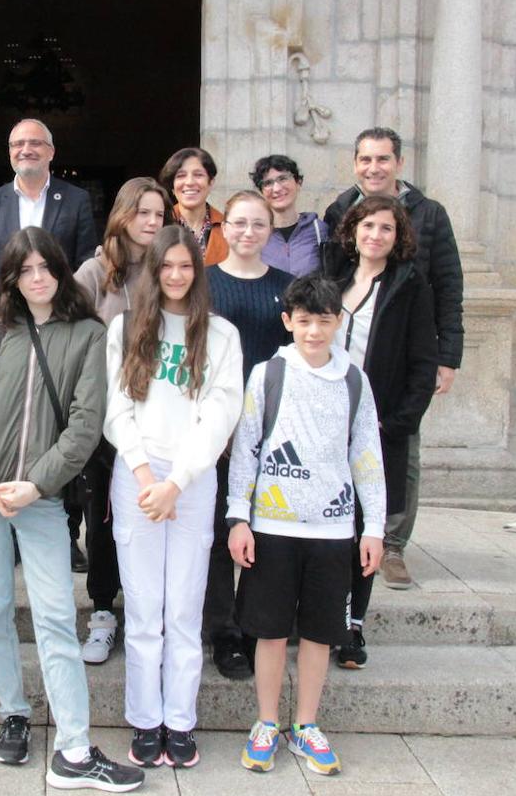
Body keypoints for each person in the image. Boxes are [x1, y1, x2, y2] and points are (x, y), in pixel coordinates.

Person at [0, 227, 143, 793]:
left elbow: (84, 426)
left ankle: (75, 748)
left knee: (56, 616)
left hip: (42, 500)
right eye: (24, 270)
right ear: (11, 278)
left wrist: (33, 486)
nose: (36, 279)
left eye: (45, 268)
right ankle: (14, 713)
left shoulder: (87, 335)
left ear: (60, 271)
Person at [227, 275, 385, 777]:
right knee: (270, 633)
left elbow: (367, 455)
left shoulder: (355, 379)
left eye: (324, 320)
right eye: (304, 321)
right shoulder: (268, 373)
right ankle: (267, 722)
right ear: (287, 321)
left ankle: (307, 725)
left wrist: (374, 526)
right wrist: (238, 517)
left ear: (339, 321)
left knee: (319, 635)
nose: (314, 331)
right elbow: (246, 448)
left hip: (334, 531)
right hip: (272, 526)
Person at [104, 225, 242, 769]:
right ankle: (145, 720)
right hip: (138, 475)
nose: (177, 276)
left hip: (192, 478)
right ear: (153, 270)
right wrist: (145, 478)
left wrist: (177, 483)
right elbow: (117, 407)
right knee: (142, 608)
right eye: (167, 266)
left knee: (183, 608)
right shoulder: (126, 327)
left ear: (198, 271)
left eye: (187, 266)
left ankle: (180, 721)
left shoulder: (222, 336)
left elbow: (219, 415)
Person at [322, 126, 464, 590]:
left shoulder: (430, 214)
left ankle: (394, 545)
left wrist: (448, 356)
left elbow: (449, 284)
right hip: (353, 349)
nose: (374, 168)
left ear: (398, 163)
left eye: (383, 159)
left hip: (406, 350)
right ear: (355, 163)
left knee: (401, 450)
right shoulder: (339, 209)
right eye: (365, 159)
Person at [0, 118, 98, 571]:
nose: (27, 150)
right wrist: (4, 317)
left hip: (59, 327)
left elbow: (81, 263)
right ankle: (4, 530)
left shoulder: (75, 201)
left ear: (51, 151)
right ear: (9, 153)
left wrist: (62, 311)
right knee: (5, 425)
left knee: (59, 424)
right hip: (9, 331)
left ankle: (66, 535)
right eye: (18, 143)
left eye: (36, 143)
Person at [329, 196, 437, 669]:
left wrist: (394, 424)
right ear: (353, 230)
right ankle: (316, 615)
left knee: (363, 529)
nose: (375, 235)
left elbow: (422, 365)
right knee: (324, 527)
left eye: (386, 228)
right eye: (368, 225)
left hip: (375, 428)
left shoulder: (409, 286)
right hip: (324, 425)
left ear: (399, 237)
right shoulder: (332, 279)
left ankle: (352, 626)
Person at [72, 177, 169, 665]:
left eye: (159, 214)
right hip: (108, 420)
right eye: (143, 213)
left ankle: (152, 614)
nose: (151, 223)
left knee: (155, 520)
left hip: (162, 418)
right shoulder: (94, 271)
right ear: (123, 214)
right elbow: (69, 335)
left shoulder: (169, 269)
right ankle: (104, 612)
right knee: (104, 521)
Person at [201, 190, 294, 680]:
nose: (247, 232)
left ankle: (257, 622)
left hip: (271, 425)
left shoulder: (288, 286)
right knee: (219, 530)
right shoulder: (204, 283)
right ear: (224, 227)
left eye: (258, 224)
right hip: (217, 426)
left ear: (270, 231)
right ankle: (223, 631)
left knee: (263, 529)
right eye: (238, 223)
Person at [250, 154, 326, 276]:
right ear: (262, 192)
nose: (277, 188)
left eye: (283, 178)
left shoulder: (319, 230)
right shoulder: (256, 233)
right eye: (268, 183)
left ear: (298, 183)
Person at [159, 147, 227, 266]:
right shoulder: (160, 224)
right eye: (181, 175)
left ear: (211, 183)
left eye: (198, 175)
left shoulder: (227, 227)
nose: (189, 182)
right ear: (172, 186)